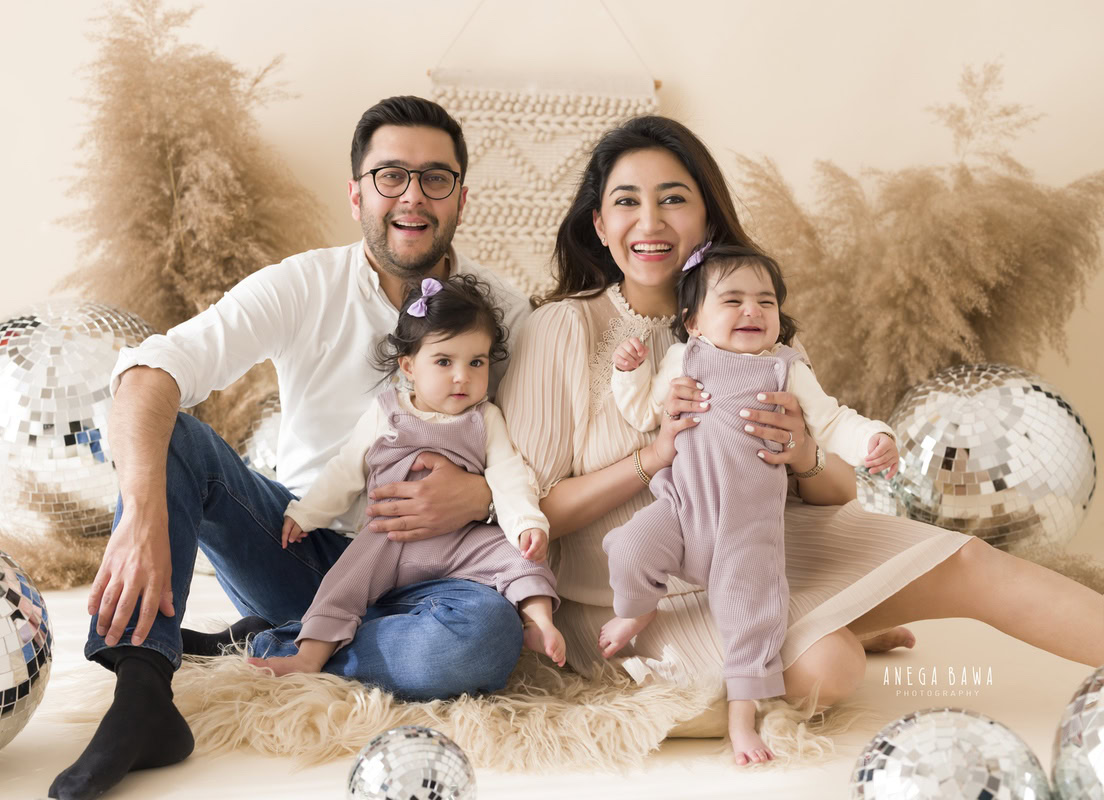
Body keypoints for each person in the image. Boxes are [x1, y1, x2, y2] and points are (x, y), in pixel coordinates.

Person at [496, 114, 1104, 767]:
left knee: (971, 562)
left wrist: (805, 455)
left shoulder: (759, 323)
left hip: (765, 547)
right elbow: (527, 516)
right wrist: (653, 457)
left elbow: (838, 492)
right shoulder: (561, 329)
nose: (650, 221)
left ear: (707, 216)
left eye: (673, 198)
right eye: (626, 201)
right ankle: (838, 623)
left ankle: (835, 611)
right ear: (598, 224)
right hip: (633, 592)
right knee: (830, 668)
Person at [48, 96, 533, 800]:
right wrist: (141, 509)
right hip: (301, 552)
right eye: (390, 175)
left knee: (486, 640)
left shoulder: (507, 311)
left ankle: (275, 643)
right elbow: (152, 370)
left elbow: (543, 457)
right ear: (357, 193)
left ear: (461, 197)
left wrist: (481, 495)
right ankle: (143, 694)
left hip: (438, 576)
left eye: (436, 178)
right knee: (176, 438)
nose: (412, 196)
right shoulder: (303, 285)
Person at [601, 243, 899, 761]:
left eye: (766, 302)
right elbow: (643, 412)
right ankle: (637, 609)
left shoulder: (785, 369)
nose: (752, 311)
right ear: (693, 322)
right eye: (732, 300)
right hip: (681, 510)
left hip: (748, 531)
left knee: (753, 621)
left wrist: (875, 438)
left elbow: (831, 421)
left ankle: (742, 718)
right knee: (629, 547)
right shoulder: (685, 358)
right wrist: (629, 372)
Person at [250, 274, 565, 677]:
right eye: (444, 362)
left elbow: (508, 476)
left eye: (476, 362)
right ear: (409, 366)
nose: (462, 376)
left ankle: (538, 622)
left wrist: (527, 524)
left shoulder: (485, 418)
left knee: (520, 556)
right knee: (343, 583)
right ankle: (308, 656)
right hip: (390, 538)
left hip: (461, 541)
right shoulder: (388, 411)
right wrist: (307, 513)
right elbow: (346, 469)